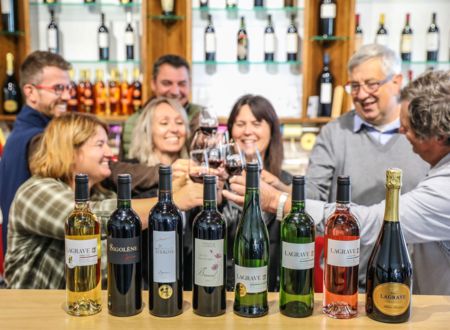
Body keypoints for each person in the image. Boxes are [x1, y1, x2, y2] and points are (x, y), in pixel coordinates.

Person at [224, 70, 450, 295]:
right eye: (354, 85)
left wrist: (277, 201)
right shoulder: (334, 132)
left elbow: (372, 222)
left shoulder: (444, 190)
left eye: (408, 127)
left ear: (438, 137)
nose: (401, 131)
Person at [4, 112, 203, 289]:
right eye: (100, 144)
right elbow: (93, 218)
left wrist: (176, 189)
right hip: (34, 314)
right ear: (70, 151)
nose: (110, 153)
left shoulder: (101, 194)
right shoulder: (36, 191)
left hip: (87, 310)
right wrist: (172, 202)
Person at [304, 44, 429, 288]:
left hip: (413, 284)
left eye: (371, 84)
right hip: (346, 283)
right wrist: (283, 193)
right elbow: (313, 191)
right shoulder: (333, 134)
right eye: (355, 86)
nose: (361, 95)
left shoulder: (424, 135)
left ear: (397, 81)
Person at [0, 51, 72, 254]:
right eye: (58, 88)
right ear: (30, 92)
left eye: (68, 87)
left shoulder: (24, 131)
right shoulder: (38, 139)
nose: (67, 95)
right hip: (31, 263)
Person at [223, 94, 292, 291]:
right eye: (240, 124)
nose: (247, 131)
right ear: (230, 131)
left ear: (271, 130)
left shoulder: (284, 182)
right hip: (224, 289)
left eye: (256, 123)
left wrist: (280, 187)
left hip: (272, 289)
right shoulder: (219, 181)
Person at [121, 54, 204, 158]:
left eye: (182, 84)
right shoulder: (134, 122)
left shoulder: (202, 116)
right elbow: (130, 167)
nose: (175, 91)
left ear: (190, 83)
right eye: (167, 83)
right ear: (153, 84)